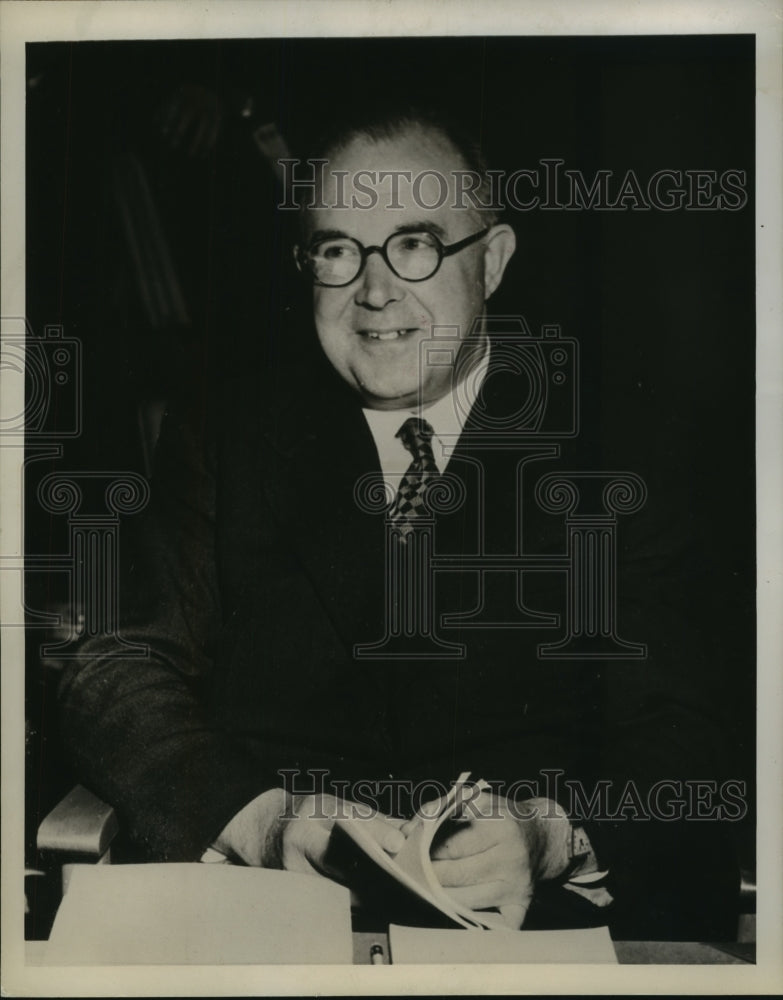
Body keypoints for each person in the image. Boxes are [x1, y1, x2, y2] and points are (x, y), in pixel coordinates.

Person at [59, 107, 739, 939]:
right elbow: (119, 664)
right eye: (338, 250)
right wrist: (259, 818)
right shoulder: (230, 432)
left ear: (490, 262)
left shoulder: (620, 446)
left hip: (534, 928)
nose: (374, 292)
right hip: (269, 916)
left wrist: (554, 836)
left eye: (414, 243)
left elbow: (686, 724)